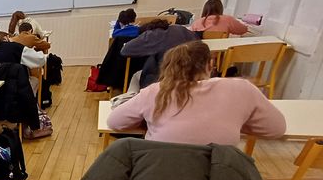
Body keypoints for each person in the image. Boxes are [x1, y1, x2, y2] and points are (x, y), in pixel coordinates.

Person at [107, 41, 286, 145]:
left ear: (168, 67)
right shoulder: (242, 88)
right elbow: (277, 129)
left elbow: (114, 122)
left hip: (162, 178)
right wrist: (235, 121)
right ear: (210, 65)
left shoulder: (155, 92)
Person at [121, 19, 199, 89]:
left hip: (166, 80)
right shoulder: (181, 29)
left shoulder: (152, 35)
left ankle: (131, 100)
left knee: (136, 76)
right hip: (193, 75)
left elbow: (125, 50)